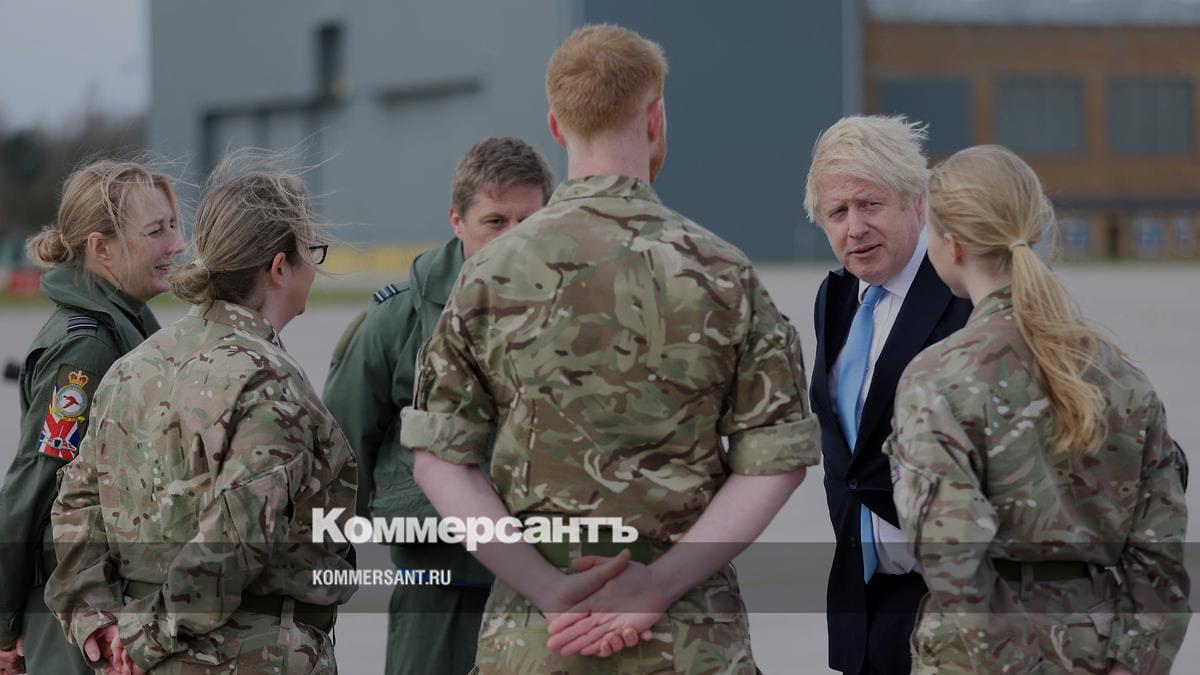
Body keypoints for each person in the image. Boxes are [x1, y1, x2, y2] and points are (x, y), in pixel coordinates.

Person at [400, 24, 820, 674]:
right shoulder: (722, 272)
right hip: (688, 635)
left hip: (539, 635)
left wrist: (547, 587)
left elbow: (439, 461)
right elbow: (776, 461)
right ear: (655, 119)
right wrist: (659, 583)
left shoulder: (487, 274)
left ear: (556, 126)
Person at [45, 155, 358, 674]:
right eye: (312, 252)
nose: (315, 267)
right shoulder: (267, 380)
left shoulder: (133, 366)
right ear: (279, 267)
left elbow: (76, 502)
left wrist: (98, 621)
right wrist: (144, 638)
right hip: (249, 655)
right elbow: (235, 539)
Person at [886, 144, 1190, 674]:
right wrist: (1129, 664)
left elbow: (950, 552)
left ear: (951, 245)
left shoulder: (938, 379)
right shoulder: (1119, 377)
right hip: (1094, 649)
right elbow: (1159, 558)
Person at [323, 136, 554, 675]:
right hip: (439, 583)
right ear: (457, 221)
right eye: (495, 221)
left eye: (528, 221)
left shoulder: (578, 313)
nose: (513, 238)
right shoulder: (398, 321)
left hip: (551, 580)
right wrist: (328, 570)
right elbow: (340, 451)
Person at [804, 115, 973, 674]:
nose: (855, 228)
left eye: (870, 205)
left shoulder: (965, 294)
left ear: (917, 203)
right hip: (866, 604)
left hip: (953, 602)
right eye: (838, 213)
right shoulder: (837, 297)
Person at [0, 160, 183, 675]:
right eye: (156, 231)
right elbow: (36, 486)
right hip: (75, 615)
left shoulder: (129, 327)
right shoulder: (88, 349)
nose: (176, 244)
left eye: (173, 225)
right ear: (101, 248)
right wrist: (5, 622)